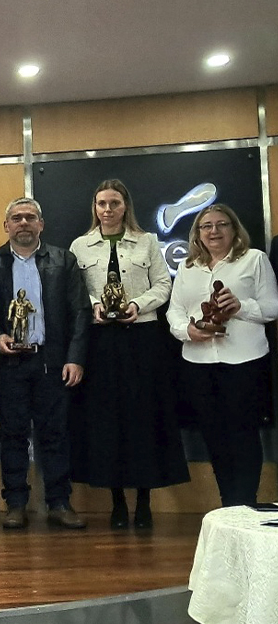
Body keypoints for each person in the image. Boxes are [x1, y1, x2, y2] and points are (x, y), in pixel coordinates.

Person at [68, 180, 187, 529]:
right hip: (101, 342)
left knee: (143, 418)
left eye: (114, 203)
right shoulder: (80, 245)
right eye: (102, 203)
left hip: (143, 339)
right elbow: (75, 291)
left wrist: (137, 304)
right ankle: (117, 501)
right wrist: (95, 307)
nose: (107, 209)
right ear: (95, 207)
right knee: (107, 420)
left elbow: (164, 285)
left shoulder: (147, 241)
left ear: (125, 206)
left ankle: (144, 501)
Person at [167, 204, 278, 507]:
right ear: (198, 234)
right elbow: (175, 311)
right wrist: (186, 331)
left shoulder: (254, 260)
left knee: (243, 436)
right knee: (214, 438)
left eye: (221, 224)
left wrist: (240, 306)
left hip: (244, 362)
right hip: (199, 364)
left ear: (234, 228)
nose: (214, 231)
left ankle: (245, 504)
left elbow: (271, 308)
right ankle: (229, 504)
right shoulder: (188, 267)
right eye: (206, 226)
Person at [0, 197, 89, 530]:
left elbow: (80, 313)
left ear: (41, 225)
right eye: (16, 218)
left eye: (30, 217)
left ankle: (59, 502)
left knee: (55, 435)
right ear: (7, 226)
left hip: (52, 362)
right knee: (13, 435)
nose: (23, 223)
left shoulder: (63, 260)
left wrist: (75, 358)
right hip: (10, 364)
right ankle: (16, 504)